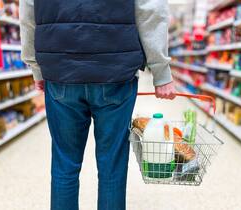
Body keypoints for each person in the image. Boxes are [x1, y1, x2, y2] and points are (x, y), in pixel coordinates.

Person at [20, 0, 176, 209]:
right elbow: (150, 10)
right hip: (115, 72)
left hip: (60, 72)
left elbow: (28, 13)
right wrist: (161, 71)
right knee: (112, 166)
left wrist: (36, 66)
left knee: (65, 164)